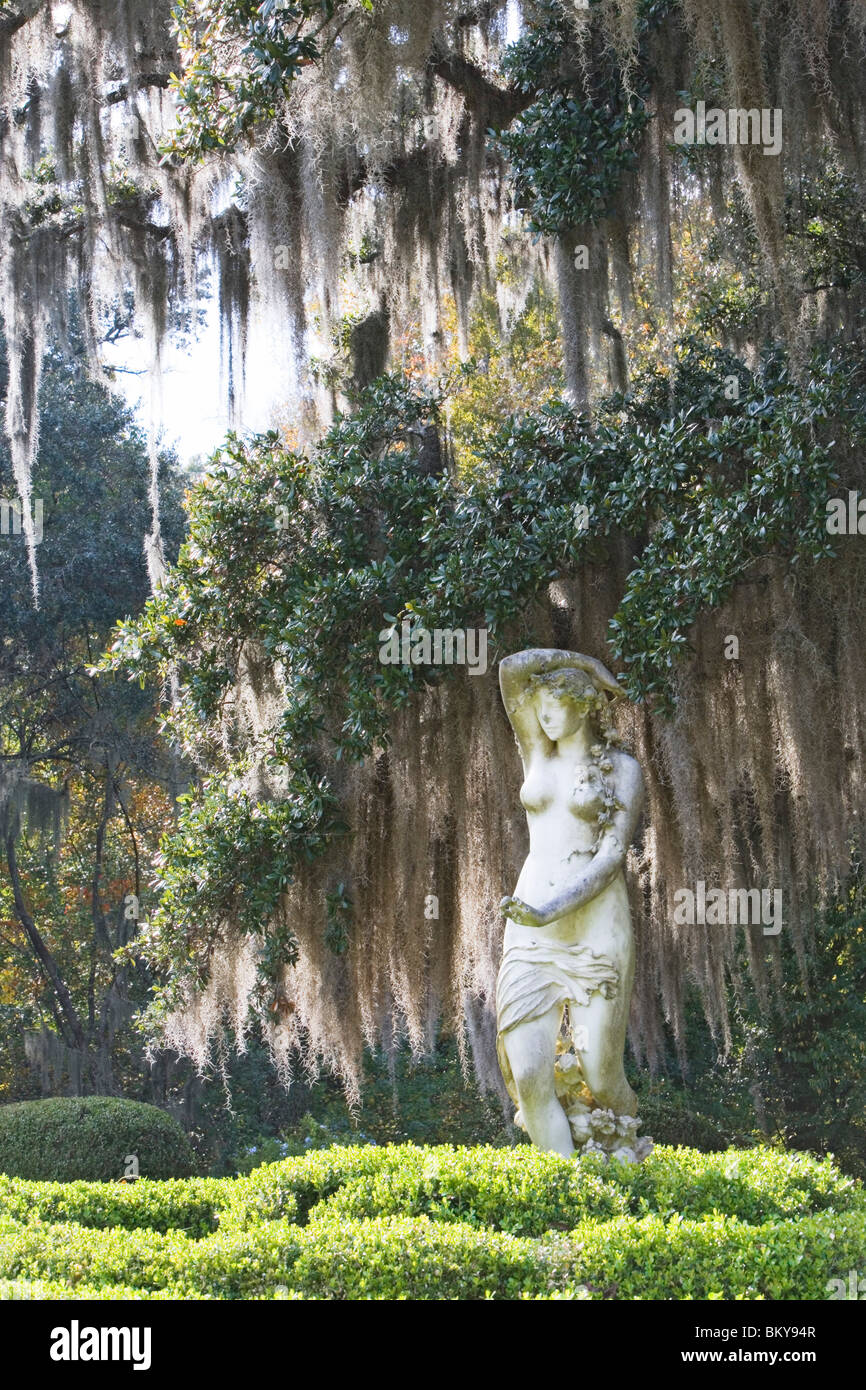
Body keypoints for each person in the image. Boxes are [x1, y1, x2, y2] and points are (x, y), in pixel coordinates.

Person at [496, 648, 644, 1157]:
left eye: (556, 703)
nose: (545, 714)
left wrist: (550, 910)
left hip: (593, 925)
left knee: (601, 1072)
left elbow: (609, 860)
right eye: (540, 706)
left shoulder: (622, 769)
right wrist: (587, 666)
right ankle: (567, 1199)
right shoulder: (537, 754)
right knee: (531, 1075)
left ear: (585, 706)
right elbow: (511, 671)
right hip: (531, 930)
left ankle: (629, 1157)